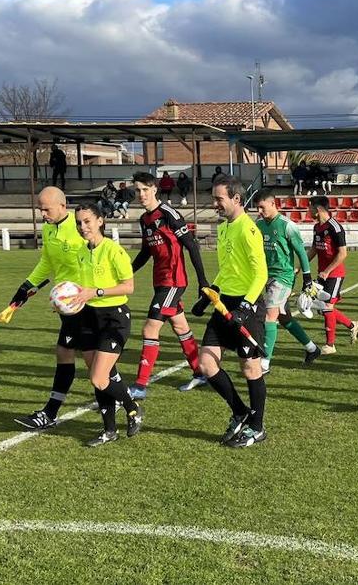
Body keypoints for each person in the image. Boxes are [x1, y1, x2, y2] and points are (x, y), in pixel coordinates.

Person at [190, 175, 268, 448]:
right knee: (206, 363)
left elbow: (261, 274)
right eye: (214, 199)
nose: (215, 204)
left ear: (236, 199)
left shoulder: (249, 229)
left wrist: (245, 308)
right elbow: (227, 268)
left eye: (219, 199)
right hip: (224, 305)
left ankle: (257, 428)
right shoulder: (223, 229)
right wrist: (210, 292)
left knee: (250, 367)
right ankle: (240, 412)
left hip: (249, 305)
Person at [61, 201, 142, 446]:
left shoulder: (114, 251)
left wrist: (94, 292)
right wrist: (64, 301)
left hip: (114, 318)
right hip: (88, 318)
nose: (82, 226)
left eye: (87, 221)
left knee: (99, 378)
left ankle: (133, 408)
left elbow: (129, 286)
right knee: (103, 375)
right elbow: (79, 289)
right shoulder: (82, 252)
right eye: (78, 223)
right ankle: (109, 430)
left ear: (100, 221)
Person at [11, 187, 93, 430]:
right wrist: (26, 286)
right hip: (67, 305)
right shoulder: (48, 229)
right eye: (40, 209)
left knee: (90, 359)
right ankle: (51, 412)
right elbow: (46, 261)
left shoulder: (80, 229)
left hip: (85, 302)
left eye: (46, 209)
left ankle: (122, 400)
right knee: (71, 354)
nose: (42, 214)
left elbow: (95, 261)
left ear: (62, 206)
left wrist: (84, 292)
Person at [126, 172, 212, 400]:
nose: (141, 194)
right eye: (137, 190)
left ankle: (140, 386)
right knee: (181, 327)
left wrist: (203, 281)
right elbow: (146, 252)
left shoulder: (169, 214)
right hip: (160, 282)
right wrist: (127, 273)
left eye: (145, 189)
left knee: (149, 329)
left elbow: (192, 246)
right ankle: (200, 373)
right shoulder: (144, 220)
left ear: (154, 189)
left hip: (173, 282)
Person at [253, 188, 322, 372]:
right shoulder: (259, 224)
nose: (259, 212)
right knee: (285, 318)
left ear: (273, 203)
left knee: (269, 316)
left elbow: (301, 252)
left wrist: (307, 277)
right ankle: (312, 349)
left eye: (261, 207)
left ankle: (264, 362)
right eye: (257, 208)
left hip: (283, 277)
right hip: (266, 277)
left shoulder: (287, 225)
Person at [306, 195, 358, 353]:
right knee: (323, 308)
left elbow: (343, 254)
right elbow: (315, 248)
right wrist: (301, 267)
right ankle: (352, 325)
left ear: (319, 209)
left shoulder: (335, 227)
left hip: (334, 274)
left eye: (310, 207)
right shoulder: (317, 227)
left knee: (327, 307)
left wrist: (327, 271)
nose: (308, 210)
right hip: (322, 274)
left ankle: (330, 345)